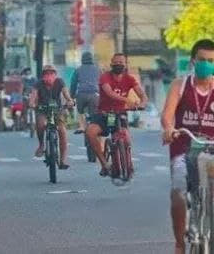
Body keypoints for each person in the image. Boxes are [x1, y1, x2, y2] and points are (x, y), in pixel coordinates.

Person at [161, 39, 214, 254]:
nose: (206, 64)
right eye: (202, 60)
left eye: (211, 61)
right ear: (193, 61)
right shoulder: (180, 85)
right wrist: (168, 129)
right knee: (178, 192)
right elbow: (167, 115)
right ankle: (180, 243)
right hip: (184, 150)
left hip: (211, 152)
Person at [86, 53, 148, 176]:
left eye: (121, 62)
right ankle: (104, 163)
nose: (119, 64)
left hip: (120, 114)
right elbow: (109, 92)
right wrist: (126, 100)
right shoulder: (105, 77)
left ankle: (128, 162)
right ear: (111, 64)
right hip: (104, 113)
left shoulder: (130, 79)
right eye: (116, 62)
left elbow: (142, 94)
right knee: (90, 132)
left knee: (125, 136)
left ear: (125, 65)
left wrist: (143, 103)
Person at [29, 65, 74, 169]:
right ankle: (41, 145)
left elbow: (66, 94)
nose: (49, 76)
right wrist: (32, 103)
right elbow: (33, 96)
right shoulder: (38, 84)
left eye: (51, 73)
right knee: (41, 125)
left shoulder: (60, 82)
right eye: (46, 74)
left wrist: (69, 101)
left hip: (57, 110)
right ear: (43, 76)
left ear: (55, 75)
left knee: (62, 131)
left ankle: (62, 160)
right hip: (42, 109)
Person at [70, 51, 100, 134]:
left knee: (80, 111)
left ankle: (82, 126)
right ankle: (95, 127)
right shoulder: (98, 69)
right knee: (95, 115)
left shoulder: (78, 70)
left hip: (82, 94)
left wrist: (71, 97)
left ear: (82, 59)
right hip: (95, 95)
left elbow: (73, 84)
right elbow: (103, 83)